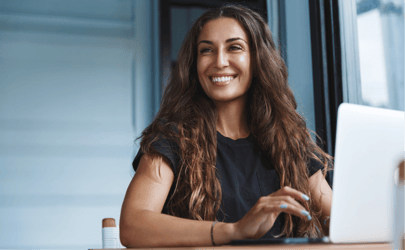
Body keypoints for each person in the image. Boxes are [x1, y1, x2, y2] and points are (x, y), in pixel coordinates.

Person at [120, 4, 333, 248]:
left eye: (234, 47)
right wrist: (234, 230)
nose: (220, 62)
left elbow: (340, 221)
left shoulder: (288, 140)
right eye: (207, 50)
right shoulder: (171, 138)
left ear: (257, 59)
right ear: (194, 63)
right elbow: (132, 226)